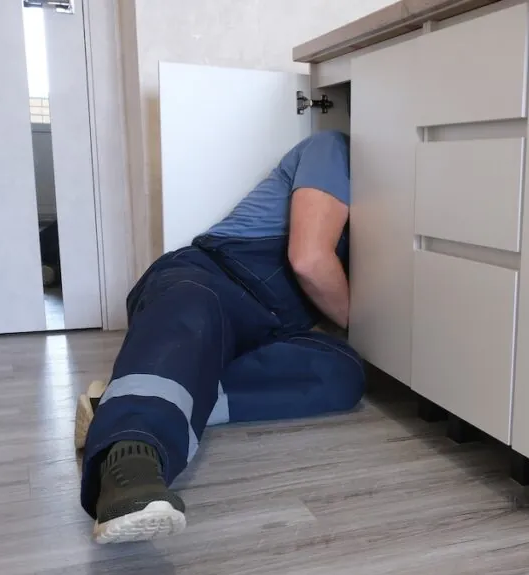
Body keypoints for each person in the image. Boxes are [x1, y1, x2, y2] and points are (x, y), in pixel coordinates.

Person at [75, 130, 365, 545]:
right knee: (190, 312)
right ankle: (131, 459)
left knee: (343, 372)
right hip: (210, 277)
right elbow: (309, 259)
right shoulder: (332, 149)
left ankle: (123, 400)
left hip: (273, 324)